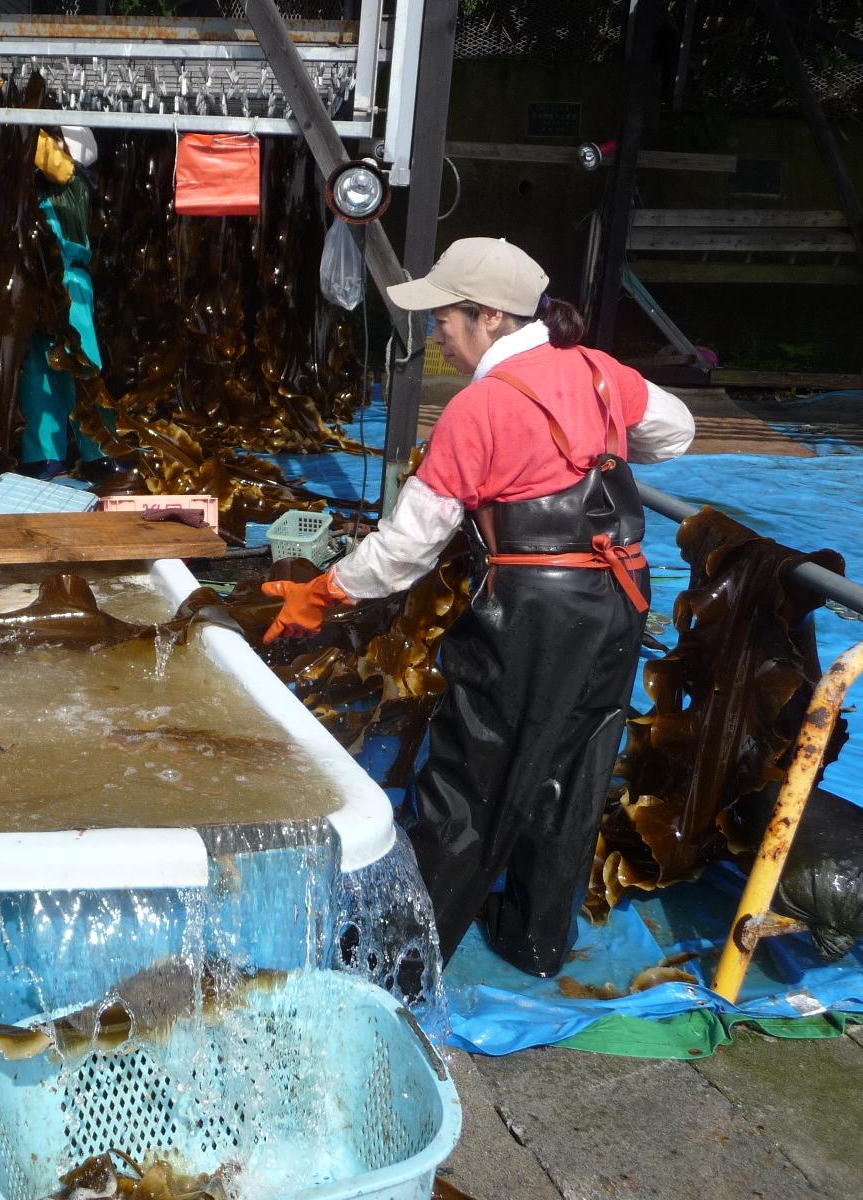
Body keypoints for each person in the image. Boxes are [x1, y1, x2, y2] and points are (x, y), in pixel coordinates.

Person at [263, 237, 695, 977]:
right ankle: (535, 941)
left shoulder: (480, 407)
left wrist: (324, 591)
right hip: (620, 599)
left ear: (489, 316)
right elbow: (675, 430)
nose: (437, 335)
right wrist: (601, 438)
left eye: (443, 319)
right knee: (576, 768)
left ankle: (403, 963)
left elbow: (406, 550)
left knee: (468, 781)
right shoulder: (599, 371)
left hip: (532, 613)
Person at [17, 125, 121, 481]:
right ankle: (46, 456)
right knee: (40, 370)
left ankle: (97, 451)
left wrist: (21, 122)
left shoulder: (71, 181)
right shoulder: (54, 182)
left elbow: (43, 152)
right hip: (40, 283)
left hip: (68, 283)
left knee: (83, 366)